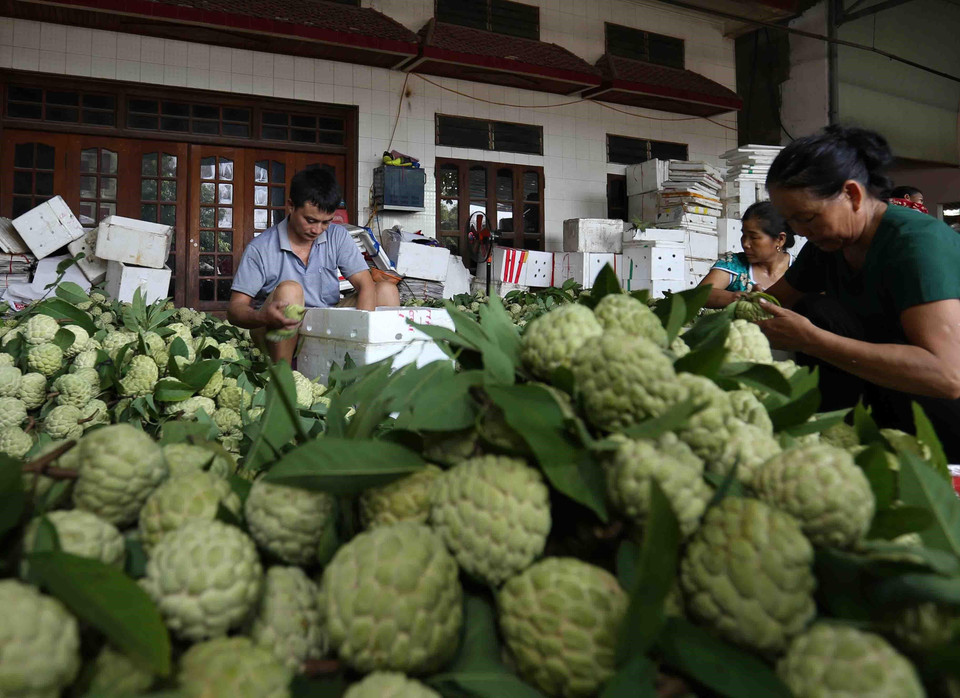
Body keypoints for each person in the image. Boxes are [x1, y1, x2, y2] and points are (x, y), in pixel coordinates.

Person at [756, 125, 960, 459]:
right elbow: (775, 301)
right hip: (892, 386)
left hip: (944, 397)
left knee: (817, 321)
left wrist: (811, 340)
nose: (802, 232)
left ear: (852, 195)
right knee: (816, 310)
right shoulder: (828, 244)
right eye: (793, 223)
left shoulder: (917, 245)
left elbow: (948, 375)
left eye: (807, 218)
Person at [228, 166, 400, 363]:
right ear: (291, 206)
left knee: (386, 290)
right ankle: (283, 375)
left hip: (323, 325)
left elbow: (365, 284)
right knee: (290, 291)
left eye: (325, 222)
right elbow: (235, 309)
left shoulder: (338, 236)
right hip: (274, 329)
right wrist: (263, 317)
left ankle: (373, 366)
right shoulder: (260, 248)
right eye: (310, 220)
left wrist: (362, 336)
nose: (317, 229)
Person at [698, 201, 794, 308]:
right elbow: (699, 295)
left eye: (753, 237)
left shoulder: (801, 270)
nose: (745, 244)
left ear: (780, 240)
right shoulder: (733, 264)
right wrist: (740, 299)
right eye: (744, 235)